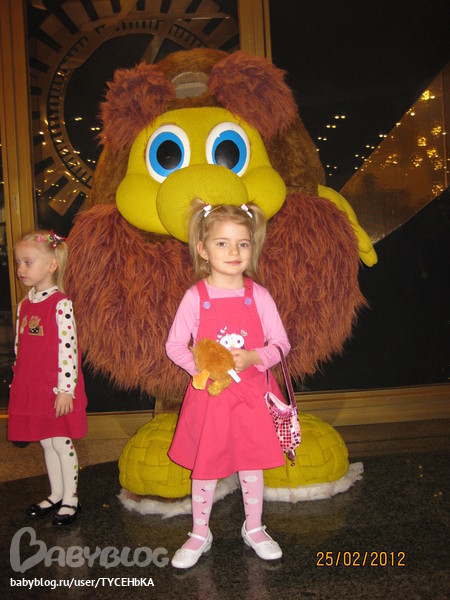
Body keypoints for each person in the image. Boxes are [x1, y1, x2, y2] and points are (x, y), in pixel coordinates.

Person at [166, 200, 290, 569]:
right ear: (203, 250)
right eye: (222, 243)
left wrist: (254, 357)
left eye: (242, 243)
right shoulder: (195, 297)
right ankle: (199, 532)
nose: (233, 252)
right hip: (211, 397)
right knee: (206, 465)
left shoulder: (259, 295)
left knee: (252, 463)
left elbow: (281, 344)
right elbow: (174, 345)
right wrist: (203, 368)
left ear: (253, 247)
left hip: (252, 395)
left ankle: (254, 527)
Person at [8, 230, 87, 526]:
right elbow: (21, 346)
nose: (21, 269)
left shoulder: (61, 304)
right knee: (45, 442)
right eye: (18, 262)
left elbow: (69, 349)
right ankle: (56, 494)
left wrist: (66, 389)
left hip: (56, 388)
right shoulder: (24, 305)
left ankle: (71, 498)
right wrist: (19, 379)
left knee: (61, 441)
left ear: (51, 265)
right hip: (33, 385)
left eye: (28, 262)